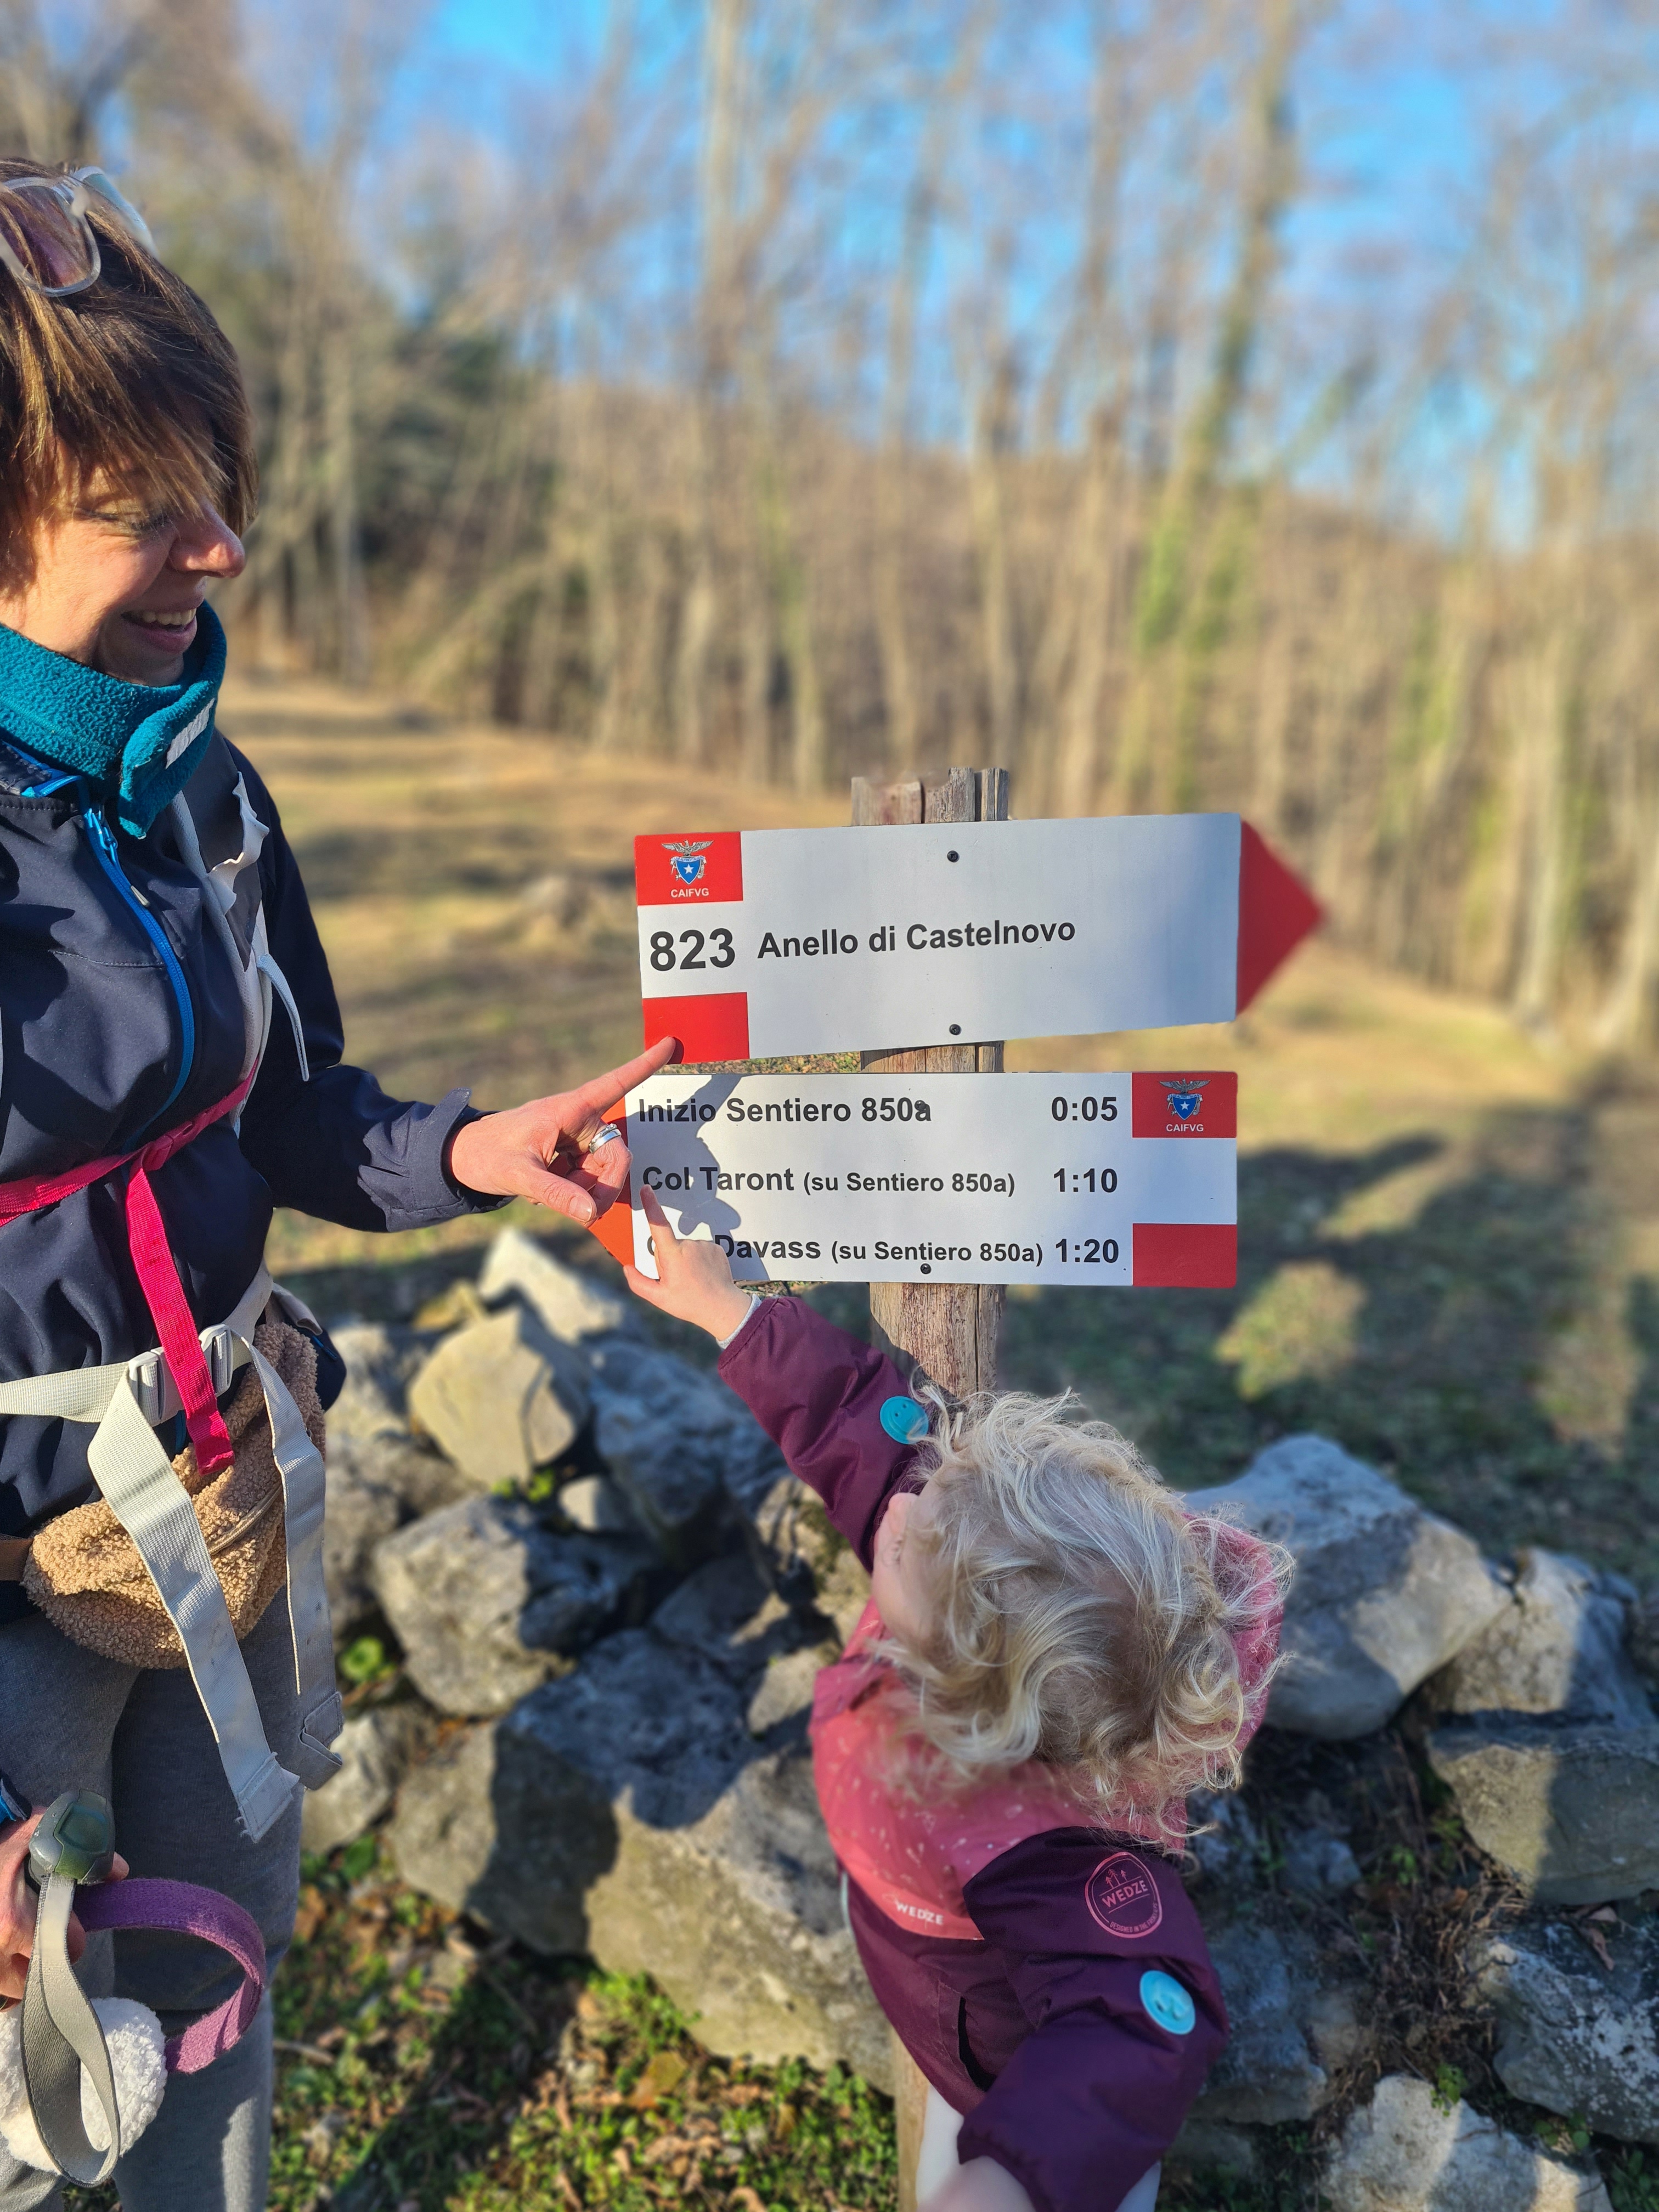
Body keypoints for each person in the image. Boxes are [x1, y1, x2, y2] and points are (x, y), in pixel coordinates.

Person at [0, 155, 674, 2210]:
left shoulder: (206, 794)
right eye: (145, 502)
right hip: (11, 1572)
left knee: (219, 1971)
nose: (223, 541)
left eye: (221, 479)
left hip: (228, 1509)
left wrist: (468, 1150)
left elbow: (287, 1107)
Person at [626, 1191, 1288, 2212]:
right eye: (937, 1491)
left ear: (970, 1686)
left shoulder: (1044, 1846)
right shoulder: (964, 1551)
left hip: (1005, 2066)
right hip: (927, 1957)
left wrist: (1014, 2178)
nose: (909, 1497)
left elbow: (1140, 2020)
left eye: (918, 1529)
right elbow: (865, 1427)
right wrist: (733, 1315)